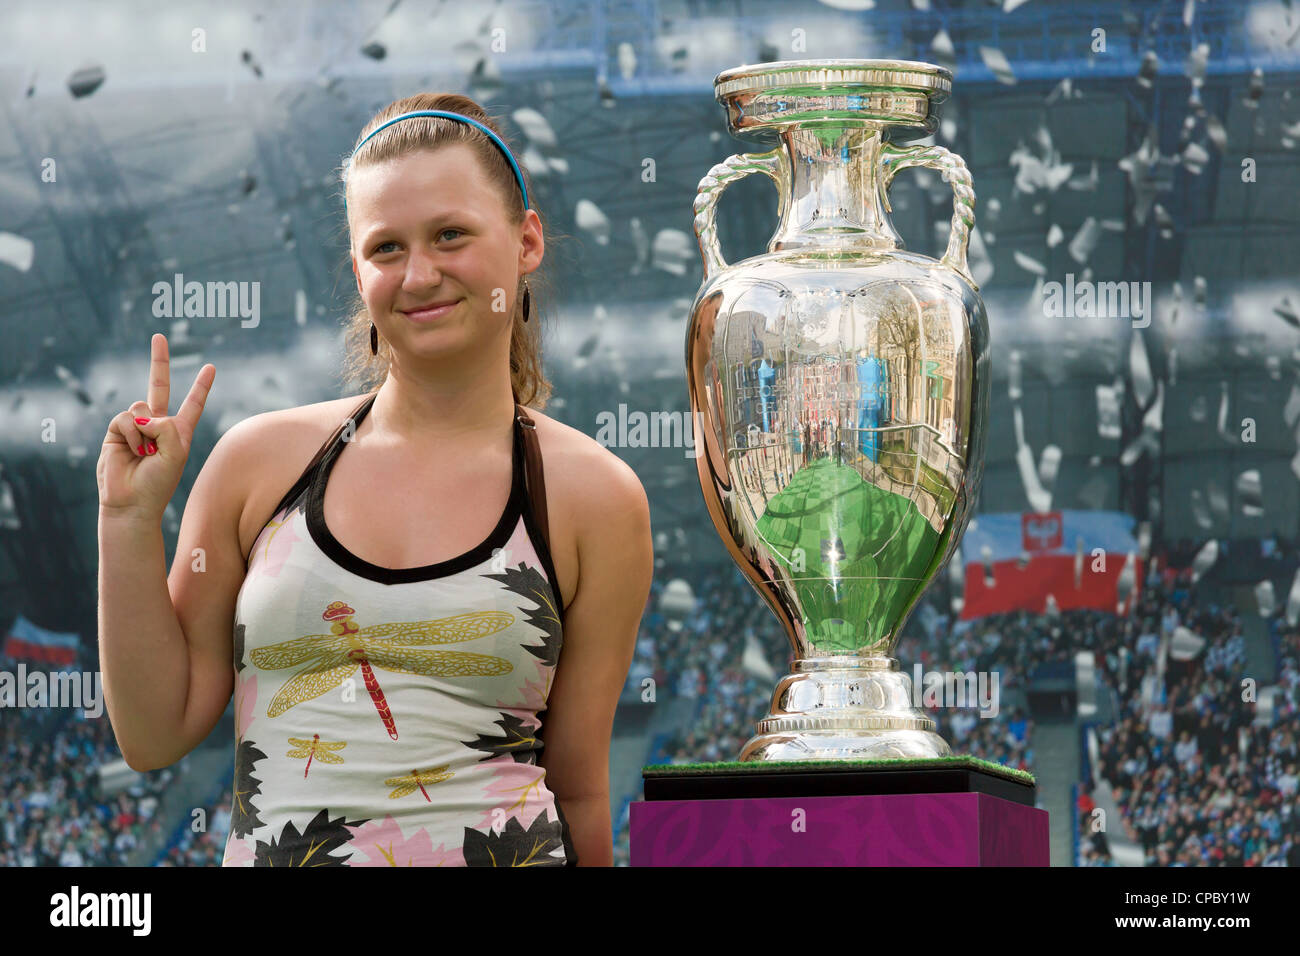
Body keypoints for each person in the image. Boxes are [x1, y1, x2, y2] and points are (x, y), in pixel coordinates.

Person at [96, 92, 653, 866]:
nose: (419, 273)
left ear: (527, 242)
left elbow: (581, 787)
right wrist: (125, 520)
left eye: (450, 235)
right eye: (385, 248)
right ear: (358, 272)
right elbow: (153, 734)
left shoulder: (595, 497)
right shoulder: (256, 466)